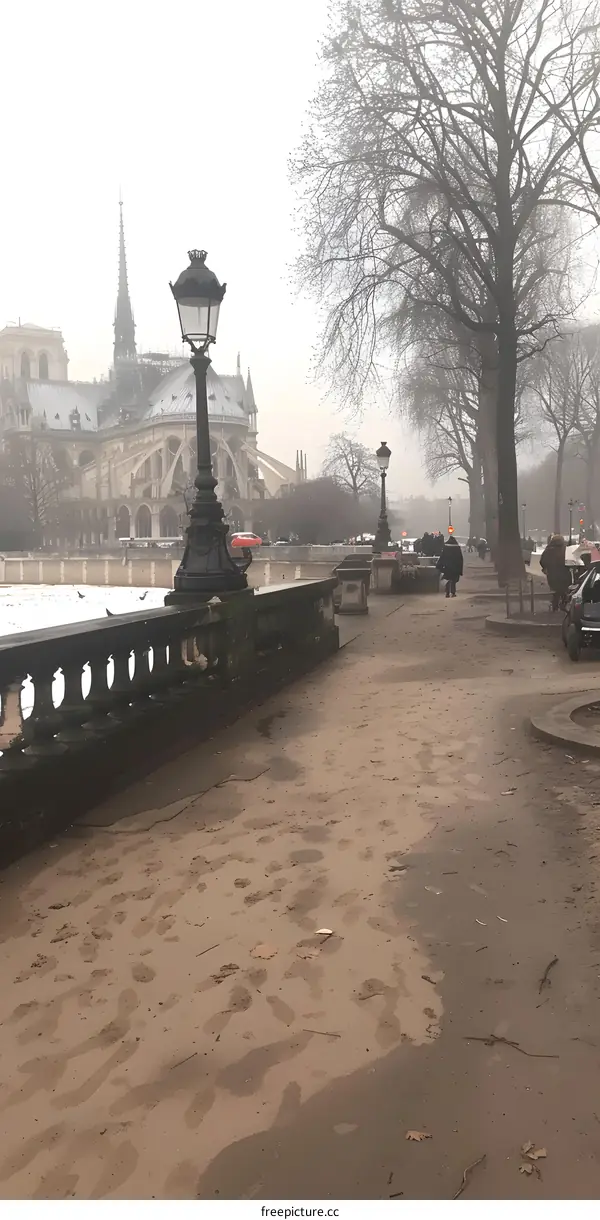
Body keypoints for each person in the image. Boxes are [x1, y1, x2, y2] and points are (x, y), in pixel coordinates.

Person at [539, 533, 571, 611]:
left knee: (555, 591)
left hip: (552, 574)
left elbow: (542, 561)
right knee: (564, 590)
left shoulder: (548, 550)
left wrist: (545, 567)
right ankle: (563, 605)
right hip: (564, 574)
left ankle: (555, 607)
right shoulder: (566, 549)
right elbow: (570, 561)